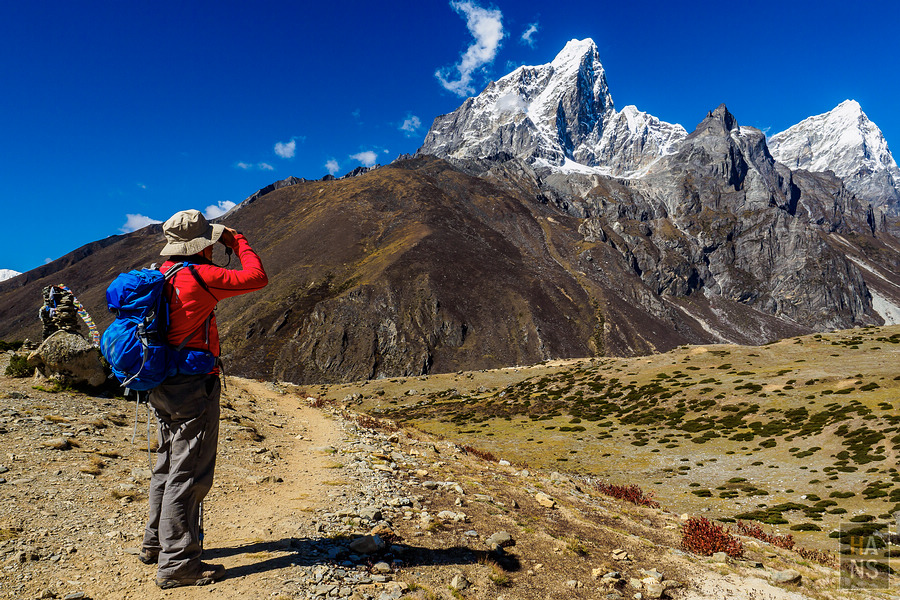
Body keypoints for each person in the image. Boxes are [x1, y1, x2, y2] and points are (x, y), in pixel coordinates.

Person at [139, 209, 268, 588]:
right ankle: (178, 563)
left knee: (166, 464)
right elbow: (256, 277)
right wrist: (237, 241)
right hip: (193, 385)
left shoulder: (158, 276)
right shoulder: (202, 275)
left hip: (160, 382)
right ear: (202, 245)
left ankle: (155, 544)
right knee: (190, 472)